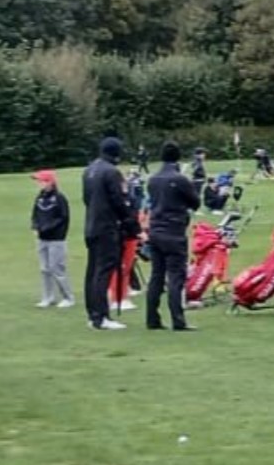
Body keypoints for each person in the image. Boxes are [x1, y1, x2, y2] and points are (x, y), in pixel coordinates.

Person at [140, 148, 201, 332]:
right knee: (176, 276)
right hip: (174, 230)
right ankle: (178, 320)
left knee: (157, 275)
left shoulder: (153, 179)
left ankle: (152, 318)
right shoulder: (180, 179)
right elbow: (195, 202)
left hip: (155, 230)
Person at [81, 135, 134, 330]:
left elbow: (87, 199)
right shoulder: (111, 172)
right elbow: (119, 202)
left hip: (91, 225)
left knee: (93, 270)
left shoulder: (88, 171)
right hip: (107, 227)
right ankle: (101, 316)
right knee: (103, 271)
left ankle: (92, 313)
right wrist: (132, 225)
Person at [29, 170, 75, 310]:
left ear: (50, 182)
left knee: (57, 268)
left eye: (41, 181)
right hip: (42, 238)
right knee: (44, 269)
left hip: (56, 239)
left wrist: (47, 228)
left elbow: (63, 218)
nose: (39, 184)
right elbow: (35, 214)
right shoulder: (40, 197)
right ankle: (48, 297)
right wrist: (35, 226)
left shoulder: (59, 198)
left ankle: (68, 297)